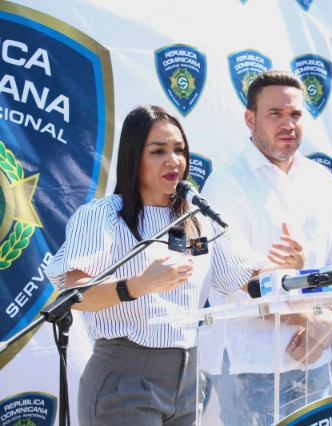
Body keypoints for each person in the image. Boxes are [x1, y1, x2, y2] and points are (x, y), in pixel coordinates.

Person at [44, 105, 266, 426]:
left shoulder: (198, 217)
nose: (173, 160)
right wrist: (139, 285)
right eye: (158, 151)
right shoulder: (103, 215)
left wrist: (289, 271)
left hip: (188, 382)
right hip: (124, 382)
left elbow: (246, 277)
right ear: (134, 158)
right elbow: (76, 294)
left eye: (179, 150)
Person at [200, 70, 332, 424]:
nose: (288, 124)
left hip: (314, 361)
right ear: (250, 120)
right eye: (275, 114)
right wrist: (316, 318)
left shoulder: (321, 180)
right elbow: (238, 282)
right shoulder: (226, 184)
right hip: (248, 365)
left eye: (295, 115)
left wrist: (328, 318)